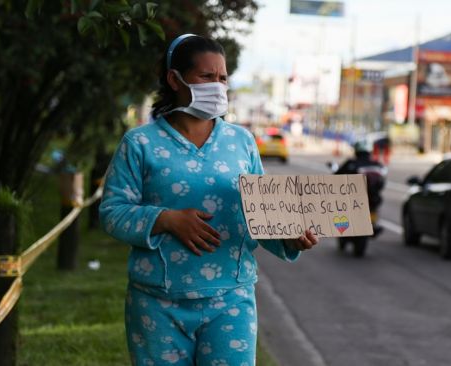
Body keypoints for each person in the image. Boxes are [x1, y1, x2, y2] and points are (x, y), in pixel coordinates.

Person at [99, 34, 319, 366]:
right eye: (206, 77)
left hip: (231, 299)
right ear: (175, 79)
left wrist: (289, 236)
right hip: (157, 303)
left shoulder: (241, 142)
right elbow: (112, 212)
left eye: (223, 78)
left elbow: (261, 211)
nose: (217, 86)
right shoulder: (140, 143)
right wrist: (166, 220)